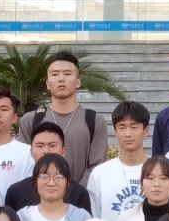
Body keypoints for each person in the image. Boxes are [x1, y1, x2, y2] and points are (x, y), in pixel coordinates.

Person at [17, 50, 109, 185]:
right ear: (47, 83)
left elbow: (97, 166)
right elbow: (25, 164)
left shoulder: (94, 121)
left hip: (82, 195)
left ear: (78, 82)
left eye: (67, 74)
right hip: (40, 195)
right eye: (55, 74)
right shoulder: (30, 120)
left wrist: (76, 192)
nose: (61, 79)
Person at [86, 101, 150, 221]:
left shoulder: (163, 171)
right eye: (122, 127)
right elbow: (93, 220)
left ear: (146, 130)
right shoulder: (100, 174)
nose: (128, 134)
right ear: (115, 131)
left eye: (134, 127)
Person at [4, 122, 89, 211]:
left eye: (52, 145)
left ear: (63, 151)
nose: (46, 151)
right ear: (31, 152)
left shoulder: (79, 193)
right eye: (40, 146)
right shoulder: (16, 192)